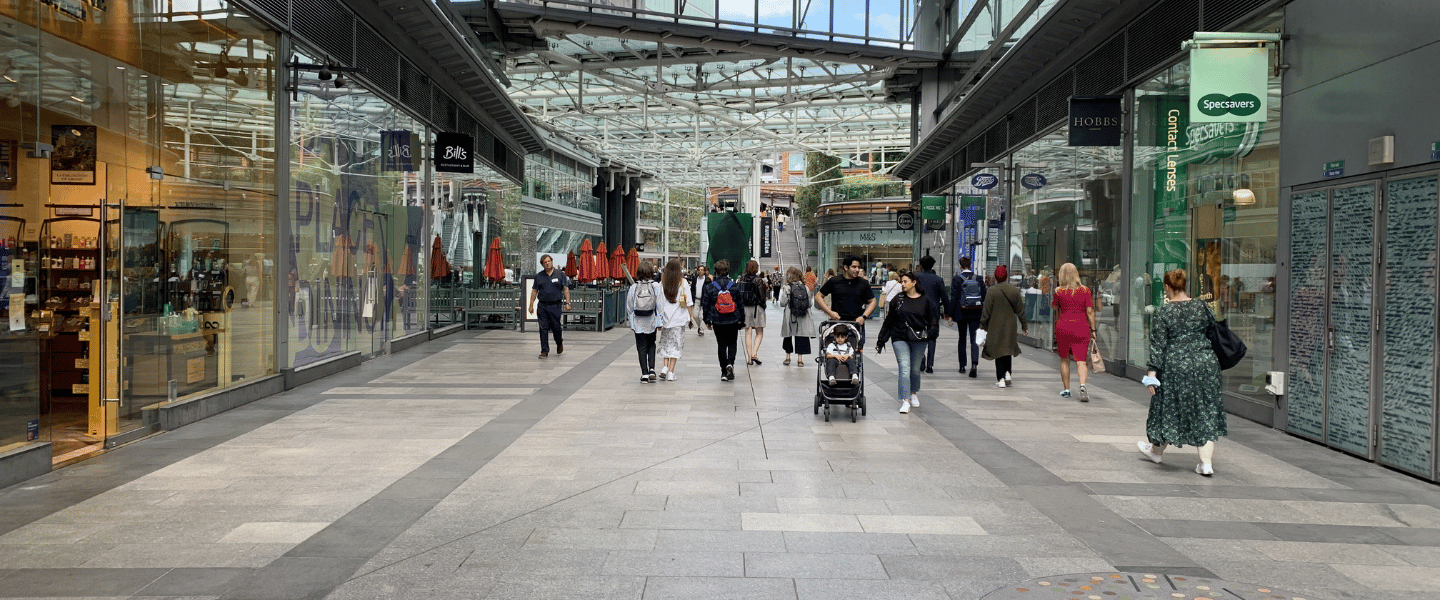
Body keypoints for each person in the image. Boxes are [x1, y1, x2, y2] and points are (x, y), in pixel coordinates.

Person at [1138, 269, 1226, 477]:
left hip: (1175, 366)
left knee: (1167, 407)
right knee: (1205, 410)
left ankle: (1156, 451)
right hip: (1206, 364)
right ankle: (1205, 463)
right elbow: (1212, 330)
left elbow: (1158, 346)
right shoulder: (1202, 307)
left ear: (1167, 287)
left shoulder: (1163, 313)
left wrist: (1152, 375)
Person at [876, 272, 939, 414]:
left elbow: (932, 320)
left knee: (915, 369)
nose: (902, 284)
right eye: (901, 282)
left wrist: (931, 334)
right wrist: (881, 339)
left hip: (919, 338)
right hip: (899, 337)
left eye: (905, 281)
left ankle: (913, 393)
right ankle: (905, 400)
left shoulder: (925, 300)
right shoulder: (898, 300)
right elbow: (889, 320)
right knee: (904, 368)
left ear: (914, 282)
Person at [1052, 262, 1097, 402]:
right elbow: (1090, 312)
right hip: (1081, 328)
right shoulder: (1085, 290)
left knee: (1064, 359)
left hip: (1063, 327)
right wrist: (1093, 329)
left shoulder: (1059, 291)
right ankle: (1082, 386)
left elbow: (1055, 308)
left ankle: (1066, 389)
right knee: (1081, 360)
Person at [980, 265, 1027, 388]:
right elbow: (1020, 311)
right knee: (1007, 349)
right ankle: (1007, 373)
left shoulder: (992, 291)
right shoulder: (1013, 290)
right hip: (1010, 325)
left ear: (995, 276)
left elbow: (986, 311)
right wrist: (1024, 326)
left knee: (998, 351)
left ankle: (1000, 378)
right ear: (1006, 276)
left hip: (995, 326)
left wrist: (982, 325)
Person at [815, 256, 877, 349]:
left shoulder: (863, 283)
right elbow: (818, 296)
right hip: (837, 323)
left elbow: (873, 301)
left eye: (858, 267)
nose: (857, 270)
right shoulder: (835, 281)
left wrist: (863, 317)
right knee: (834, 350)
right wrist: (830, 312)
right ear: (846, 267)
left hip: (856, 324)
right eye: (854, 267)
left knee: (856, 352)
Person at [701, 259, 744, 381]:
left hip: (717, 320)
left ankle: (723, 372)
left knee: (721, 344)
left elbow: (706, 305)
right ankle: (730, 363)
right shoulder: (733, 285)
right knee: (732, 343)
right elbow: (740, 303)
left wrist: (707, 320)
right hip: (732, 319)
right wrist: (742, 319)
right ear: (727, 271)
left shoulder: (710, 287)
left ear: (716, 271)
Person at [948, 256, 986, 377]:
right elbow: (984, 296)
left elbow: (953, 298)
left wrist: (950, 315)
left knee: (962, 338)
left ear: (960, 265)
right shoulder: (979, 278)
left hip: (961, 312)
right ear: (970, 265)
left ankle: (962, 366)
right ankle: (974, 364)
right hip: (976, 312)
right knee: (974, 339)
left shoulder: (956, 279)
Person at [527, 254, 571, 359]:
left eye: (548, 261)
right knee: (543, 328)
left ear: (551, 261)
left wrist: (568, 303)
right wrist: (531, 305)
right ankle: (544, 351)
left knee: (556, 328)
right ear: (542, 265)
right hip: (542, 305)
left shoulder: (560, 274)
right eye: (545, 262)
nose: (547, 263)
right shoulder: (539, 276)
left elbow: (565, 289)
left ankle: (559, 342)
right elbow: (534, 291)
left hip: (555, 305)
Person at [627, 262, 664, 383]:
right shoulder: (655, 286)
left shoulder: (634, 287)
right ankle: (652, 369)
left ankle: (644, 373)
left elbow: (629, 306)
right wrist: (660, 321)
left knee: (641, 347)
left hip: (638, 321)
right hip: (651, 320)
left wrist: (631, 321)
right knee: (651, 344)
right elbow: (660, 305)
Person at [656, 259, 692, 381]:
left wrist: (660, 318)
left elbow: (659, 302)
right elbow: (689, 302)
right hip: (679, 319)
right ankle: (671, 372)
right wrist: (691, 317)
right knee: (676, 345)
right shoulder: (683, 282)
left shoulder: (663, 283)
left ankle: (664, 367)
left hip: (666, 320)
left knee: (666, 343)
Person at [914, 255, 949, 373]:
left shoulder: (915, 277)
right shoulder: (938, 279)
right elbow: (944, 297)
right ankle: (930, 365)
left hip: (918, 310)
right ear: (932, 265)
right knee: (932, 337)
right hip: (933, 311)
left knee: (918, 335)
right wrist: (948, 313)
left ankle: (921, 357)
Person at [778, 266, 815, 366]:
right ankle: (800, 360)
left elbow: (782, 303)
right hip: (803, 315)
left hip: (790, 315)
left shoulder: (787, 287)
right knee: (801, 335)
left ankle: (788, 357)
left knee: (788, 335)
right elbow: (810, 304)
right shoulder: (806, 288)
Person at [739, 259, 768, 366]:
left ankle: (749, 357)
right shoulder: (758, 280)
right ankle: (755, 353)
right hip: (757, 308)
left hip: (746, 308)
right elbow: (761, 296)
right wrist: (764, 305)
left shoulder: (742, 279)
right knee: (759, 332)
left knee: (748, 332)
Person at [689, 265, 711, 337]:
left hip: (704, 300)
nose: (700, 271)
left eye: (702, 270)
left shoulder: (707, 280)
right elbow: (692, 289)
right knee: (695, 315)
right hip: (696, 299)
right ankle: (699, 326)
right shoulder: (695, 279)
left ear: (704, 271)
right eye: (699, 270)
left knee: (701, 315)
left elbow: (709, 290)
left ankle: (701, 329)